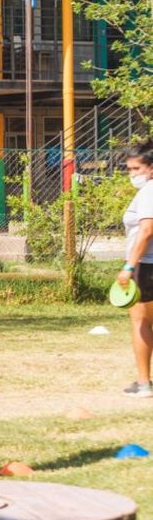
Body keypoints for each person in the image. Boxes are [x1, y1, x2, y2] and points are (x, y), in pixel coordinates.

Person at [119, 140, 153, 398]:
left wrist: (130, 266)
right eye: (129, 169)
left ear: (151, 168)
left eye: (136, 169)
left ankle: (143, 383)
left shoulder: (149, 191)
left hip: (147, 265)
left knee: (140, 321)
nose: (132, 174)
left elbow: (146, 229)